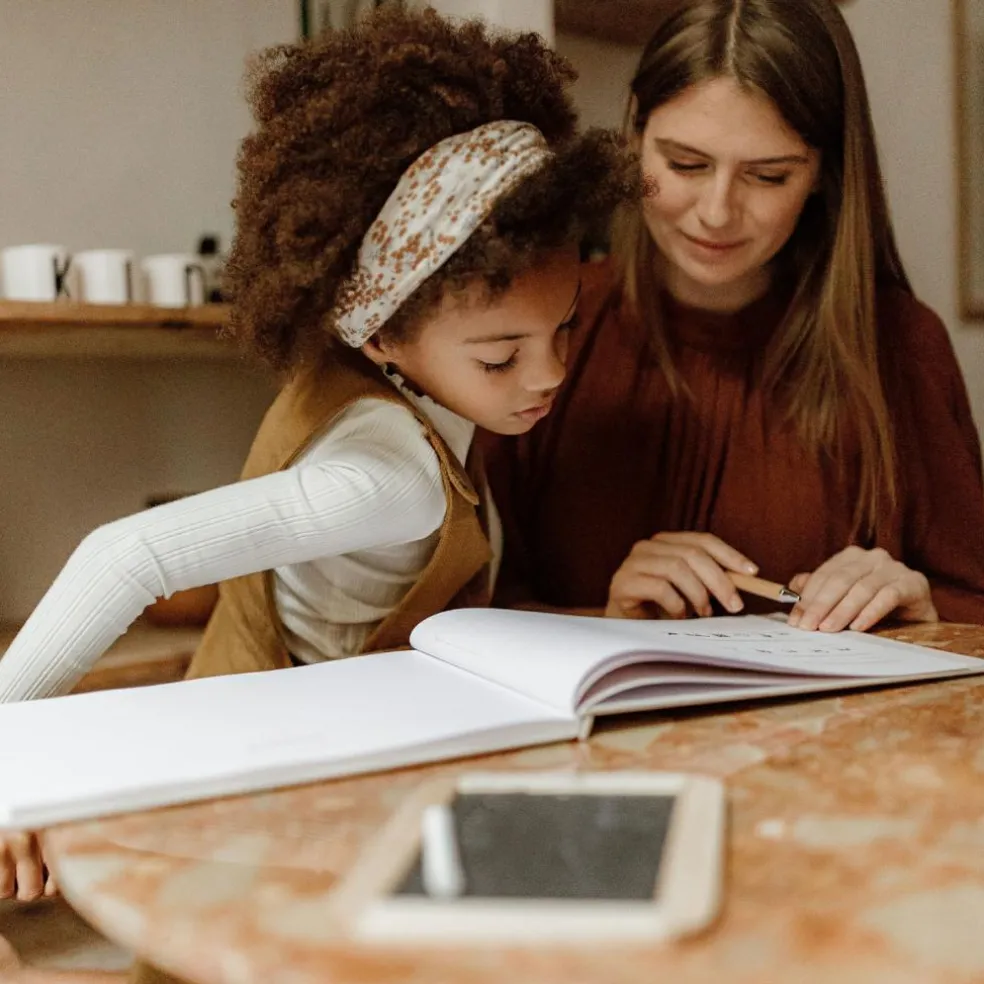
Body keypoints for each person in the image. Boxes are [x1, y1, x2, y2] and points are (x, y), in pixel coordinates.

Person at [0, 7, 633, 975]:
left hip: (325, 791)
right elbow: (129, 553)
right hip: (259, 815)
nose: (546, 376)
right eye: (501, 355)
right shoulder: (387, 482)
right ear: (381, 333)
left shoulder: (389, 397)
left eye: (564, 331)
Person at [486, 0, 984, 634]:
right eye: (686, 165)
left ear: (823, 178)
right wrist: (603, 621)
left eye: (768, 176)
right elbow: (481, 615)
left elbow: (974, 606)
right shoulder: (542, 329)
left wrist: (924, 609)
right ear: (634, 135)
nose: (717, 213)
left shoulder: (902, 346)